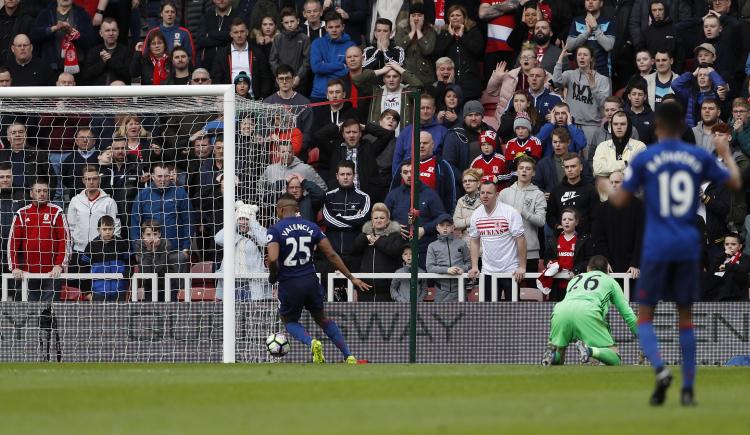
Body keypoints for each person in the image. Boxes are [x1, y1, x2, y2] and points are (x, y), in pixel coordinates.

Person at [609, 102, 741, 406]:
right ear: (684, 126)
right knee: (686, 318)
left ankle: (659, 369)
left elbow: (621, 201)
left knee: (644, 317)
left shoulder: (646, 157)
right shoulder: (696, 156)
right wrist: (723, 154)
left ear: (656, 127)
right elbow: (734, 182)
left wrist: (608, 186)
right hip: (686, 244)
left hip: (656, 245)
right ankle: (689, 389)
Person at [266, 194, 370, 363]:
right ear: (297, 210)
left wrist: (272, 275)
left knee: (289, 320)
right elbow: (331, 254)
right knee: (322, 318)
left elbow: (272, 258)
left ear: (281, 210)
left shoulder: (275, 229)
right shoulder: (312, 227)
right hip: (311, 281)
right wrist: (351, 277)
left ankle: (312, 342)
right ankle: (348, 355)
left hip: (290, 283)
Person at [541, 255, 638, 366]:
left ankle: (552, 355)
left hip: (560, 310)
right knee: (615, 357)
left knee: (559, 351)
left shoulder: (575, 279)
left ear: (588, 268)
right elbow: (628, 315)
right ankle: (589, 351)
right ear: (607, 270)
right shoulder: (611, 281)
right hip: (588, 311)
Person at [8, 178, 69, 302]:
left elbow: (65, 241)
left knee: (49, 314)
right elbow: (13, 242)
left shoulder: (57, 212)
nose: (42, 194)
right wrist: (14, 266)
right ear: (31, 193)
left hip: (52, 274)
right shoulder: (22, 213)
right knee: (29, 313)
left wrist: (59, 265)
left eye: (45, 191)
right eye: (38, 191)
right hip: (27, 274)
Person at [467, 181, 526, 301]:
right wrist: (474, 266)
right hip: (488, 271)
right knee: (489, 313)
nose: (485, 195)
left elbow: (521, 240)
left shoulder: (510, 212)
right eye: (482, 192)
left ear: (497, 195)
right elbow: (474, 241)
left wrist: (522, 266)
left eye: (489, 193)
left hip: (511, 270)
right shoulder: (476, 214)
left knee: (513, 312)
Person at [553, 44, 611, 149]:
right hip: (571, 125)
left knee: (588, 159)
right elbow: (556, 81)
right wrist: (560, 58)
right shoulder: (570, 74)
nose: (582, 57)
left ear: (591, 59)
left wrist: (593, 88)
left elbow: (604, 103)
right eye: (579, 54)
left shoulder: (602, 79)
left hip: (591, 126)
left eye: (585, 55)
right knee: (570, 159)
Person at [130, 162, 193, 255]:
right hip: (150, 251)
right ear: (152, 176)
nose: (163, 179)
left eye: (166, 176)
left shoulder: (180, 193)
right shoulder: (142, 195)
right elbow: (135, 224)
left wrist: (186, 247)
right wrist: (137, 249)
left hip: (175, 250)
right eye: (159, 176)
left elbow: (188, 221)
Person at [215, 201, 271, 301]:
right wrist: (233, 222)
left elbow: (264, 240)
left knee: (253, 311)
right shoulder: (232, 234)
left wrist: (252, 223)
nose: (243, 222)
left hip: (252, 281)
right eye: (240, 219)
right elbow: (218, 239)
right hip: (232, 281)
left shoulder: (257, 233)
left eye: (246, 219)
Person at [592, 171, 644, 276]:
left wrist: (635, 263)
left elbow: (641, 237)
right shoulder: (602, 208)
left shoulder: (639, 206)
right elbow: (599, 238)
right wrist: (605, 261)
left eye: (617, 182)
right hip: (609, 267)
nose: (613, 185)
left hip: (633, 269)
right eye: (611, 182)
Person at [351, 202, 406, 301]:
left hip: (388, 290)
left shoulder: (396, 236)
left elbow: (394, 251)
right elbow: (354, 250)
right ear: (372, 220)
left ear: (388, 220)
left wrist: (378, 241)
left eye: (382, 218)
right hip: (365, 288)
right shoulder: (365, 236)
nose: (379, 221)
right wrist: (365, 236)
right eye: (376, 218)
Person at [499, 156, 546, 272]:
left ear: (533, 173)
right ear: (517, 171)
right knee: (510, 289)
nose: (524, 170)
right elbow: (496, 219)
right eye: (521, 168)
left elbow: (541, 221)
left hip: (530, 251)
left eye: (528, 168)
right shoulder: (504, 193)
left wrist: (524, 212)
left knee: (531, 289)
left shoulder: (538, 194)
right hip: (507, 250)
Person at [67, 165, 120, 259]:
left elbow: (115, 226)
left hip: (101, 250)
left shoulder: (109, 201)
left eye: (94, 179)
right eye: (88, 179)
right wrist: (70, 248)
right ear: (83, 180)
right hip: (79, 250)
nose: (91, 182)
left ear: (99, 179)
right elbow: (70, 227)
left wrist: (110, 247)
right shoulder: (75, 201)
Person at [30, 0, 95, 76]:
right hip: (51, 68)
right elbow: (34, 35)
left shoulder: (82, 14)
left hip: (77, 69)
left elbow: (89, 41)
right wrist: (52, 29)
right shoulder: (46, 13)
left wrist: (71, 32)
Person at [211, 18, 273, 98]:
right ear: (231, 34)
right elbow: (216, 78)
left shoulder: (257, 53)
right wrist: (222, 97)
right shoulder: (222, 54)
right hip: (229, 100)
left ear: (247, 32)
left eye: (242, 31)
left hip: (253, 99)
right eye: (236, 32)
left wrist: (262, 98)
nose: (239, 35)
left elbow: (266, 77)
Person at [434, 4, 483, 100]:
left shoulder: (473, 31)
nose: (455, 18)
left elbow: (478, 51)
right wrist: (450, 37)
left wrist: (462, 37)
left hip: (470, 84)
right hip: (450, 86)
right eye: (452, 16)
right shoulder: (444, 33)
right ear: (448, 19)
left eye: (458, 15)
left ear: (464, 18)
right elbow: (437, 53)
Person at [78, 215, 130, 302]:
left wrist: (127, 274)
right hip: (98, 292)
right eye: (104, 229)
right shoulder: (91, 246)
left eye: (110, 229)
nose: (107, 232)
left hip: (119, 290)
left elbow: (130, 262)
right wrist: (87, 292)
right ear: (99, 230)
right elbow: (83, 269)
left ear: (114, 229)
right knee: (99, 316)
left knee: (119, 315)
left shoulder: (121, 244)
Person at [134, 219, 189, 301]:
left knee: (170, 310)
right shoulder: (139, 244)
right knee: (151, 311)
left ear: (159, 234)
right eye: (148, 234)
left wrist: (154, 250)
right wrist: (149, 250)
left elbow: (158, 267)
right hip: (149, 284)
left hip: (167, 283)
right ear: (143, 235)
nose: (152, 237)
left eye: (155, 234)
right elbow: (146, 272)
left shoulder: (166, 243)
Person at [309, 11, 355, 101]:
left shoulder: (351, 45)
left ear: (343, 27)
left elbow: (349, 71)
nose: (334, 30)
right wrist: (341, 66)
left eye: (337, 26)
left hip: (341, 94)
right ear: (325, 28)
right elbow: (316, 67)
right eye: (330, 27)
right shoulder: (317, 43)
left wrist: (324, 66)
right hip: (319, 94)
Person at [564, 0, 615, 78]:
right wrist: (587, 32)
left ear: (601, 3)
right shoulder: (577, 21)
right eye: (587, 0)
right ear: (584, 3)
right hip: (580, 73)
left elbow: (608, 46)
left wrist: (595, 27)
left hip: (603, 73)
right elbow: (569, 46)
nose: (590, 2)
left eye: (594, 0)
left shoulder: (608, 22)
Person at [426, 214, 471, 303]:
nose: (445, 228)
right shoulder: (432, 246)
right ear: (437, 228)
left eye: (448, 225)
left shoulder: (462, 244)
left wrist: (463, 269)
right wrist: (447, 270)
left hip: (460, 288)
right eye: (442, 225)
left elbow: (469, 263)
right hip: (441, 290)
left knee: (462, 316)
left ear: (453, 227)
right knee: (440, 316)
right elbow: (429, 267)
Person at [81, 18, 131, 85]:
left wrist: (110, 61)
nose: (111, 33)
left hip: (119, 93)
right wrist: (102, 62)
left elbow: (129, 74)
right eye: (107, 30)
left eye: (114, 30)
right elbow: (86, 75)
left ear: (118, 32)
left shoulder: (126, 51)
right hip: (98, 92)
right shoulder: (93, 51)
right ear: (101, 33)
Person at [269, 8, 310, 89]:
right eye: (286, 22)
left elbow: (307, 61)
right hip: (281, 83)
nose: (290, 25)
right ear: (282, 24)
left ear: (298, 21)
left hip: (299, 82)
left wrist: (298, 76)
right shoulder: (278, 39)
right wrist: (280, 77)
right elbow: (273, 60)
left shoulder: (304, 38)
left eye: (292, 21)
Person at [703, 233, 750, 301]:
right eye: (727, 244)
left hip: (736, 286)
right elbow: (712, 270)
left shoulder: (744, 257)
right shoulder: (720, 257)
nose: (729, 246)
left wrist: (726, 266)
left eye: (733, 244)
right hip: (718, 285)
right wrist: (723, 255)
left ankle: (722, 299)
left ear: (740, 246)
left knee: (730, 274)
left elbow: (745, 268)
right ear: (724, 246)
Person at [453, 168, 483, 244]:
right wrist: (473, 219)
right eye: (464, 181)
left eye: (470, 181)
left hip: (483, 242)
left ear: (478, 183)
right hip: (465, 243)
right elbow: (456, 223)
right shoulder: (461, 201)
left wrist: (464, 223)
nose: (467, 183)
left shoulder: (485, 199)